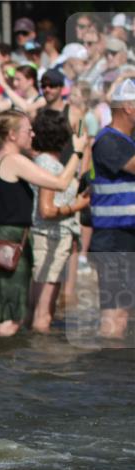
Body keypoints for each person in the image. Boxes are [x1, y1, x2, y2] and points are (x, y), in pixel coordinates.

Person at [0, 110, 87, 336]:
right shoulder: (13, 160)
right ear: (13, 136)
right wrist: (77, 151)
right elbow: (60, 183)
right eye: (28, 130)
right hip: (11, 242)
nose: (33, 135)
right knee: (12, 317)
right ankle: (3, 367)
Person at [29, 109, 90, 333]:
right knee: (43, 314)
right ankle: (44, 362)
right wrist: (77, 206)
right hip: (50, 240)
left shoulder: (46, 162)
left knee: (36, 310)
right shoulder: (49, 166)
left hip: (49, 239)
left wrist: (79, 153)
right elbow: (46, 210)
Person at [88, 78, 135, 339]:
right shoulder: (109, 141)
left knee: (124, 312)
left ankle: (115, 373)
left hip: (126, 235)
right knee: (113, 312)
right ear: (128, 107)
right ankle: (104, 372)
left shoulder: (128, 140)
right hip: (113, 237)